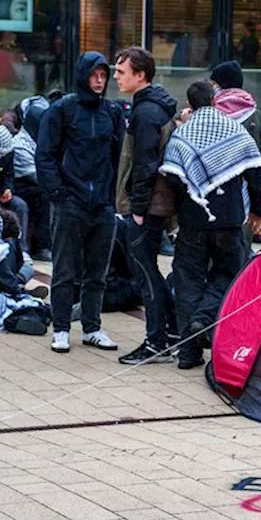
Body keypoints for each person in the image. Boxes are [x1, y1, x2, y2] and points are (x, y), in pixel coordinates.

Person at [159, 82, 261, 370]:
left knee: (187, 280)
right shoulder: (235, 131)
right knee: (227, 274)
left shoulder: (183, 134)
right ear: (216, 100)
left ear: (190, 104)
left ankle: (187, 353)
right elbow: (256, 172)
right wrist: (258, 210)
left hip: (193, 221)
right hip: (230, 219)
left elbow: (172, 175)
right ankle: (205, 319)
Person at [36, 52, 126, 354]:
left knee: (98, 271)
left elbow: (118, 155)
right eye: (94, 75)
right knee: (64, 270)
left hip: (101, 202)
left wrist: (112, 195)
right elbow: (45, 154)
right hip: (69, 200)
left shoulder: (112, 113)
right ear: (83, 75)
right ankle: (60, 327)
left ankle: (92, 326)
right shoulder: (62, 110)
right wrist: (57, 192)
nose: (99, 81)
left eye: (104, 76)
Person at [112, 47, 179, 365]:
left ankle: (156, 342)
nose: (115, 77)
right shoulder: (152, 106)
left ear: (141, 75)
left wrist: (137, 208)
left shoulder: (146, 112)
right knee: (150, 271)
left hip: (147, 207)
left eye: (121, 72)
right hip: (154, 204)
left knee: (145, 273)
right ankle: (173, 334)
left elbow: (145, 164)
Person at [12, 96, 53, 260]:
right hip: (22, 185)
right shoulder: (19, 143)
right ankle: (42, 247)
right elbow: (35, 175)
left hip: (43, 181)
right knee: (46, 195)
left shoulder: (45, 138)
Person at [209, 61, 261, 161]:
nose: (212, 87)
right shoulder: (258, 116)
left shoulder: (210, 115)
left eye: (214, 84)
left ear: (222, 84)